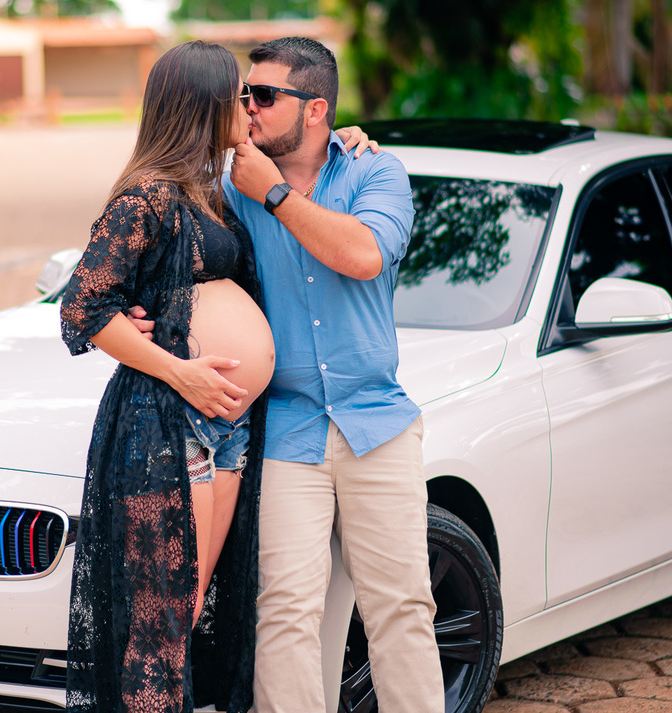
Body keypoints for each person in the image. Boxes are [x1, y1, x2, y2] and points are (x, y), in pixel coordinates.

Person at [60, 40, 378, 713]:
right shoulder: (146, 196)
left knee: (194, 600)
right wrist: (180, 371)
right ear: (204, 105)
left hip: (226, 430)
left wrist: (338, 141)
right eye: (240, 94)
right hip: (170, 424)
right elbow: (83, 305)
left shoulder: (215, 189)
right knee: (158, 619)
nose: (249, 107)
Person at [131, 37, 442, 712]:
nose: (248, 107)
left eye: (265, 96)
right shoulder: (226, 189)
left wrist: (271, 193)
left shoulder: (375, 173)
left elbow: (362, 254)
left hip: (376, 423)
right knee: (285, 611)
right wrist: (140, 312)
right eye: (245, 94)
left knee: (401, 606)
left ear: (317, 109)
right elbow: (166, 252)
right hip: (287, 431)